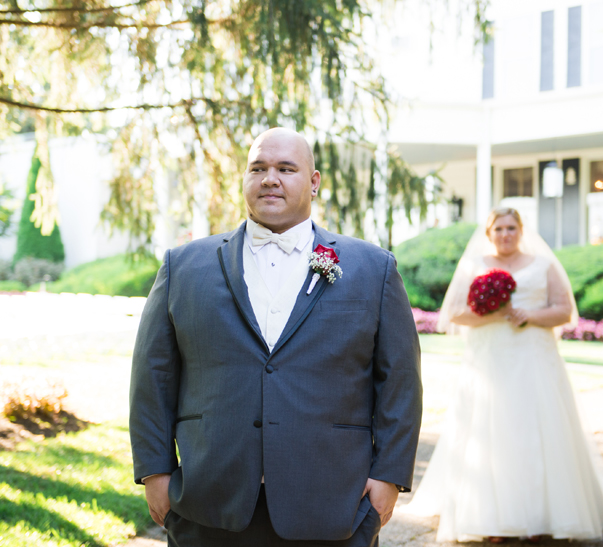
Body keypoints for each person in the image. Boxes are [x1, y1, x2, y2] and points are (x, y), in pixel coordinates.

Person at [129, 127, 423, 547]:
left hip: (332, 503)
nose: (271, 178)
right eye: (259, 168)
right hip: (208, 503)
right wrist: (155, 473)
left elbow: (400, 382)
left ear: (314, 182)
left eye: (287, 168)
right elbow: (152, 374)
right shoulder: (184, 266)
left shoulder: (373, 269)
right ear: (245, 178)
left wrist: (389, 477)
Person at [401, 207, 603, 543]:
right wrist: (493, 312)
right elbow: (455, 314)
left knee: (538, 431)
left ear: (521, 229)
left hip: (533, 358)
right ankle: (492, 519)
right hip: (490, 361)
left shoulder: (543, 265)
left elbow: (564, 310)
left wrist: (528, 315)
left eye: (511, 227)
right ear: (489, 233)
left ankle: (542, 517)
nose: (505, 234)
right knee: (492, 431)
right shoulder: (475, 265)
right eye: (498, 228)